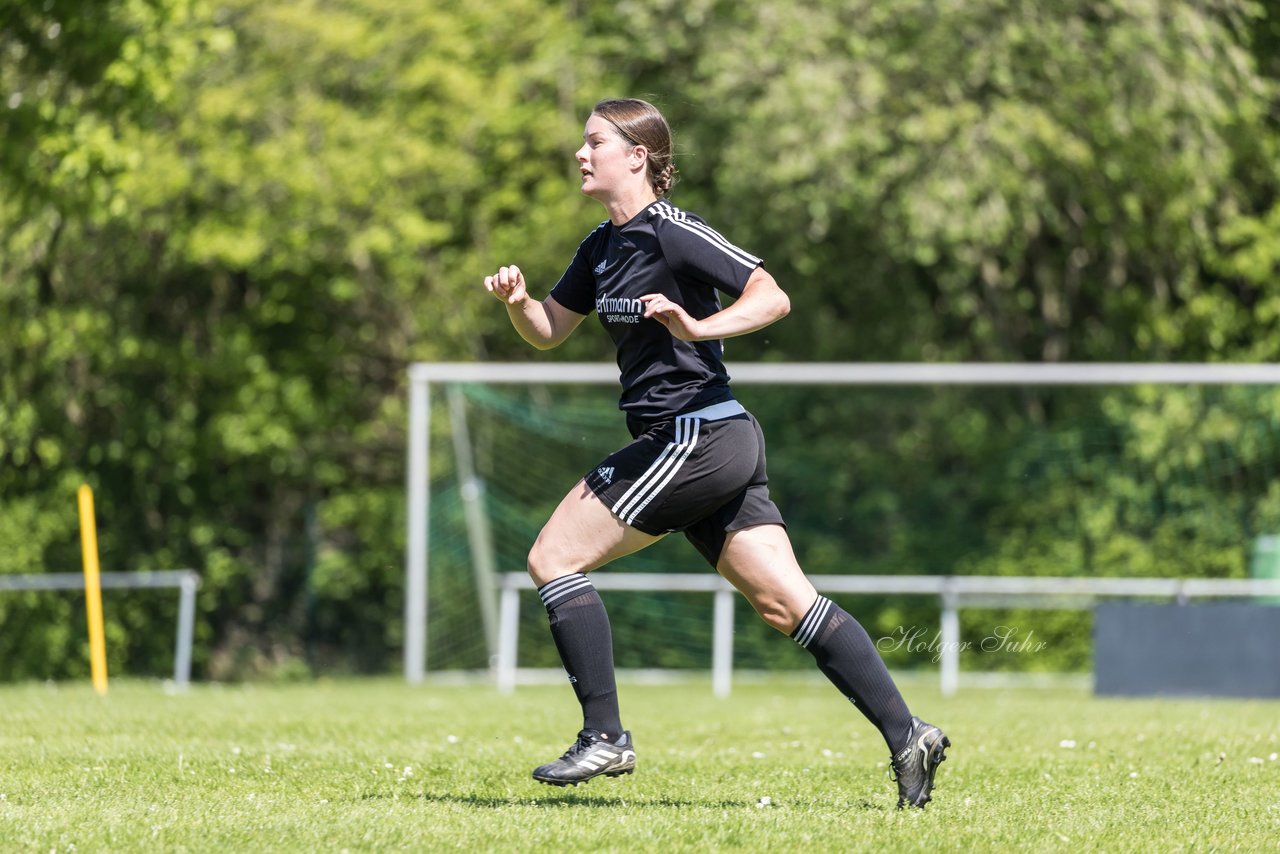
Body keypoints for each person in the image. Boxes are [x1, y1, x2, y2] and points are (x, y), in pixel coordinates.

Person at [483, 98, 950, 809]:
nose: (580, 154)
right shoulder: (599, 247)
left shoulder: (673, 231)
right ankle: (908, 733)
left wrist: (699, 328)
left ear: (637, 155)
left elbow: (772, 296)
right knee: (785, 603)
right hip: (702, 441)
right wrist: (518, 301)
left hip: (696, 435)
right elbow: (549, 329)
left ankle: (605, 736)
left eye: (593, 143)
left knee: (554, 558)